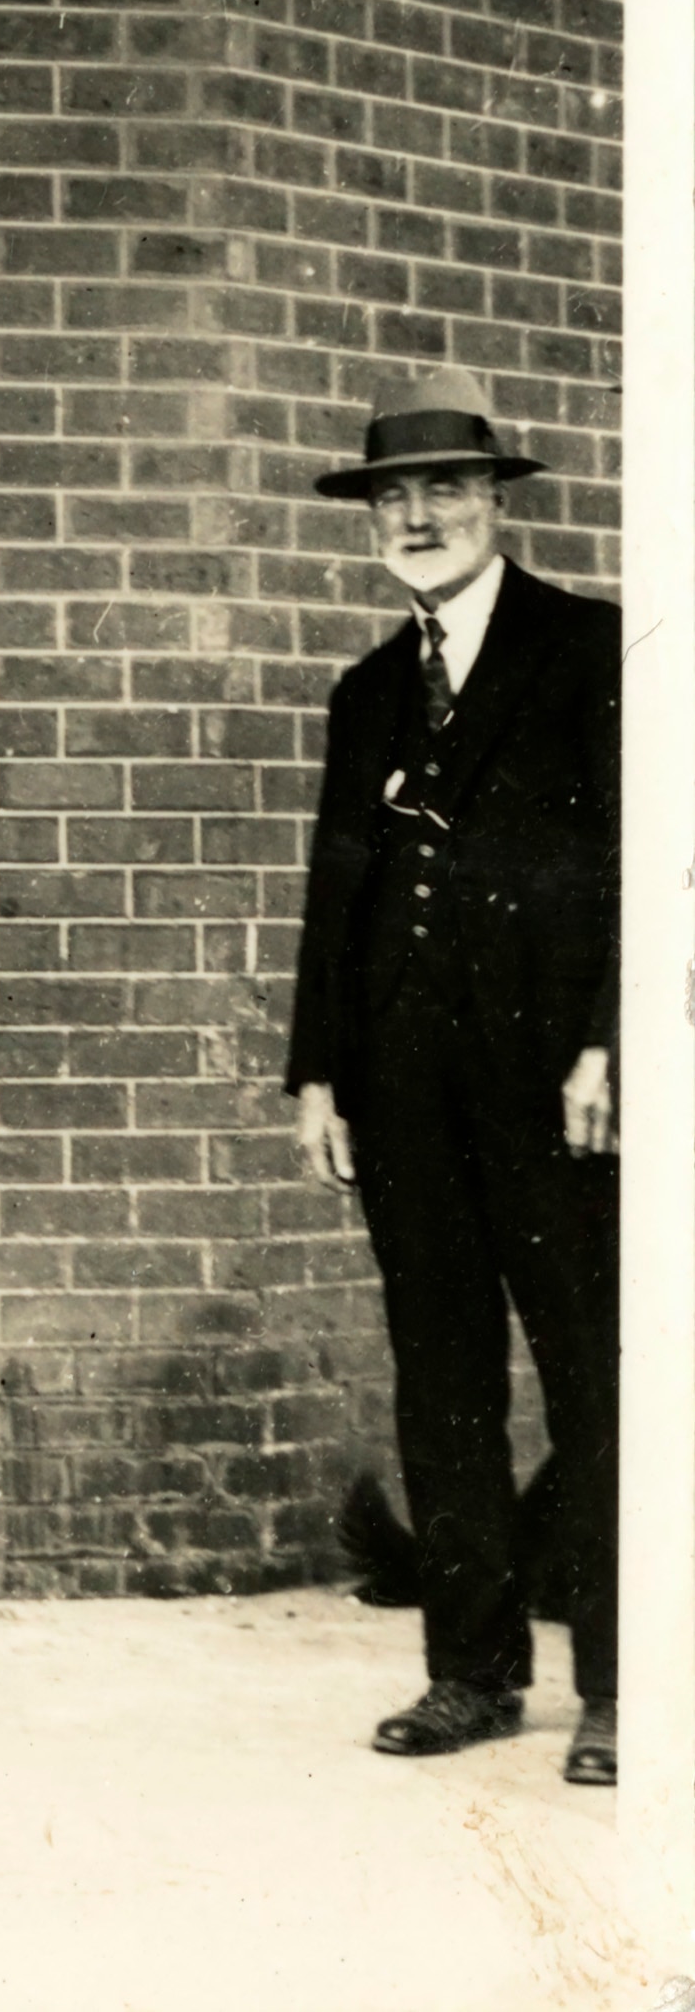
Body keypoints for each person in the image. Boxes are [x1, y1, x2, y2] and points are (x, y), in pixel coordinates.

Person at [285, 365, 618, 1785]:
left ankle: (621, 1689)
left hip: (559, 1086)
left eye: (446, 490)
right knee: (444, 1379)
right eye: (394, 496)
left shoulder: (593, 649)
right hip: (400, 1090)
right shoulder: (369, 690)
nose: (418, 516)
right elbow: (335, 887)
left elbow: (642, 866)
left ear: (496, 501)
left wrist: (612, 1042)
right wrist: (316, 1077)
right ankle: (472, 1671)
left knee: (598, 1374)